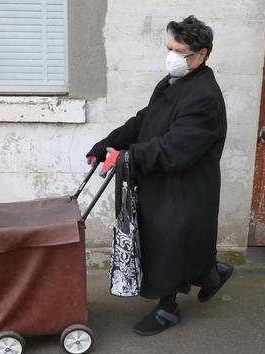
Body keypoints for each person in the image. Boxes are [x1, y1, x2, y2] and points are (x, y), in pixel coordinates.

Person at [86, 15, 233, 336]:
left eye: (179, 51)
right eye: (169, 48)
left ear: (201, 54)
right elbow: (145, 119)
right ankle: (213, 273)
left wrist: (128, 156)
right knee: (177, 241)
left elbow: (176, 147)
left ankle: (168, 308)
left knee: (167, 243)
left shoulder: (204, 95)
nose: (171, 56)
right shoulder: (174, 82)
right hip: (164, 178)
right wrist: (108, 144)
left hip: (187, 185)